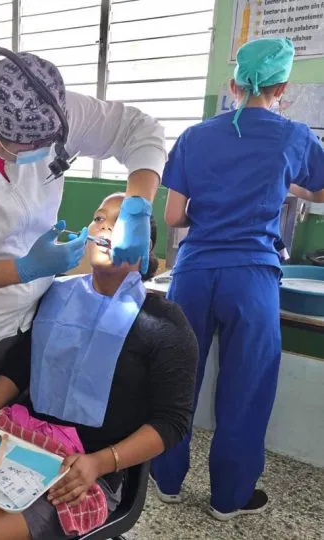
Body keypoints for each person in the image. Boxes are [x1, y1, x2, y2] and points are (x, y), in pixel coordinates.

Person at [0, 193, 198, 540]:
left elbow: (172, 421)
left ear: (144, 247)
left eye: (120, 225)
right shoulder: (56, 295)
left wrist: (100, 462)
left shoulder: (165, 324)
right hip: (18, 439)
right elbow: (22, 365)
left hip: (85, 468)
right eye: (99, 219)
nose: (104, 228)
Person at [0, 44, 166, 416]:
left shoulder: (49, 104)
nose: (48, 153)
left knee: (39, 417)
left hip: (44, 305)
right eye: (34, 148)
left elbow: (140, 129)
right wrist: (23, 269)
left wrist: (138, 205)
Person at [151, 38, 324, 521]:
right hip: (252, 278)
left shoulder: (194, 136)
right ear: (282, 88)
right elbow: (322, 188)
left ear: (232, 85)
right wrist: (282, 181)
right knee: (246, 388)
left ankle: (164, 479)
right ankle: (228, 499)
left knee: (177, 377)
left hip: (194, 274)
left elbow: (174, 215)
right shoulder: (293, 136)